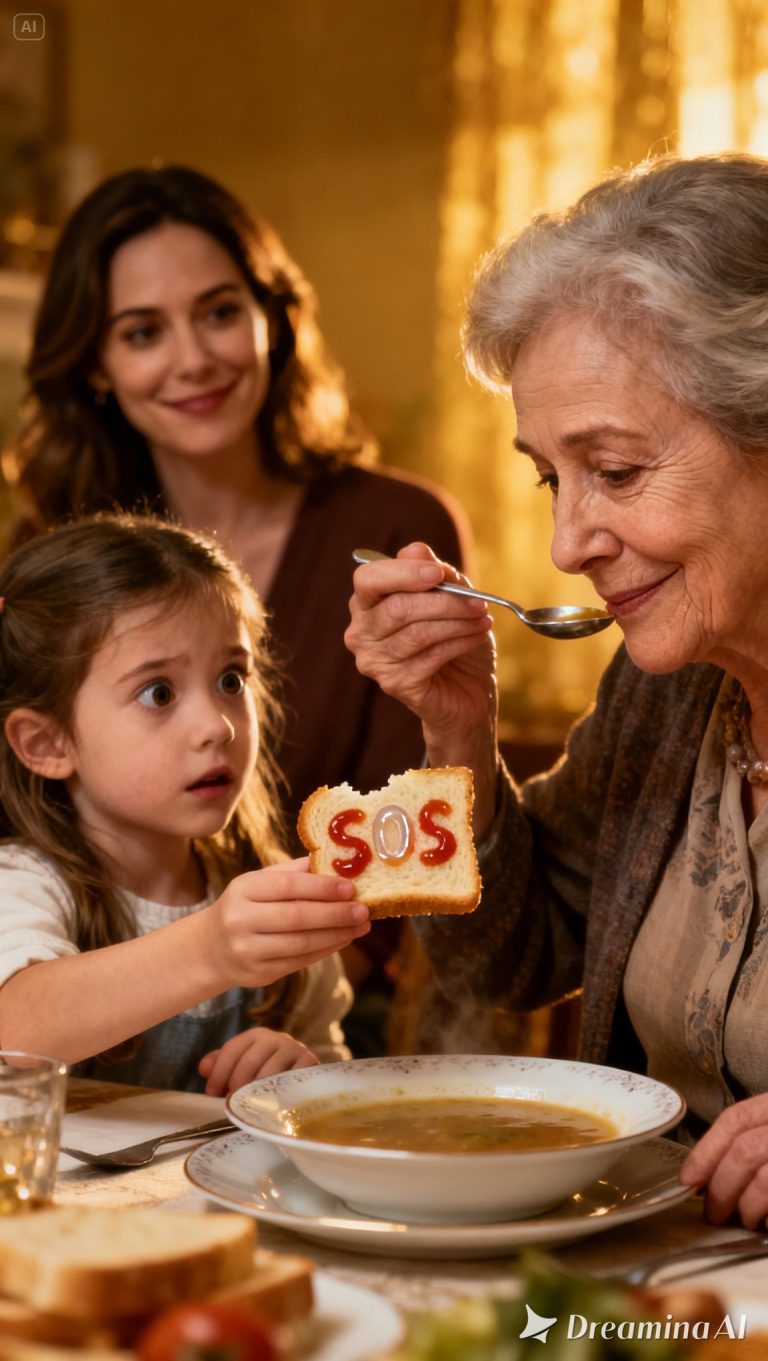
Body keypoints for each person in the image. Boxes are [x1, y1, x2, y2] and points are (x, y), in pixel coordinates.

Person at [346, 151, 768, 1228]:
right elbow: (504, 960)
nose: (566, 543)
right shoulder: (668, 693)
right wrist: (456, 734)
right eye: (550, 477)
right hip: (661, 1289)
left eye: (615, 472)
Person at [2, 164, 472, 1054]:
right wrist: (208, 950)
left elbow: (412, 839)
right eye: (143, 331)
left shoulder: (394, 529)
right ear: (96, 364)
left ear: (272, 320)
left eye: (219, 312)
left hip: (322, 978)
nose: (193, 358)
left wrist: (280, 981)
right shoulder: (50, 552)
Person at [0, 513, 370, 1094]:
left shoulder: (275, 899)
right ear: (48, 743)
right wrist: (210, 950)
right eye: (159, 693)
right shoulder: (24, 885)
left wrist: (298, 1073)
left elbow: (330, 1076)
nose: (218, 726)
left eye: (231, 680)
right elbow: (14, 1029)